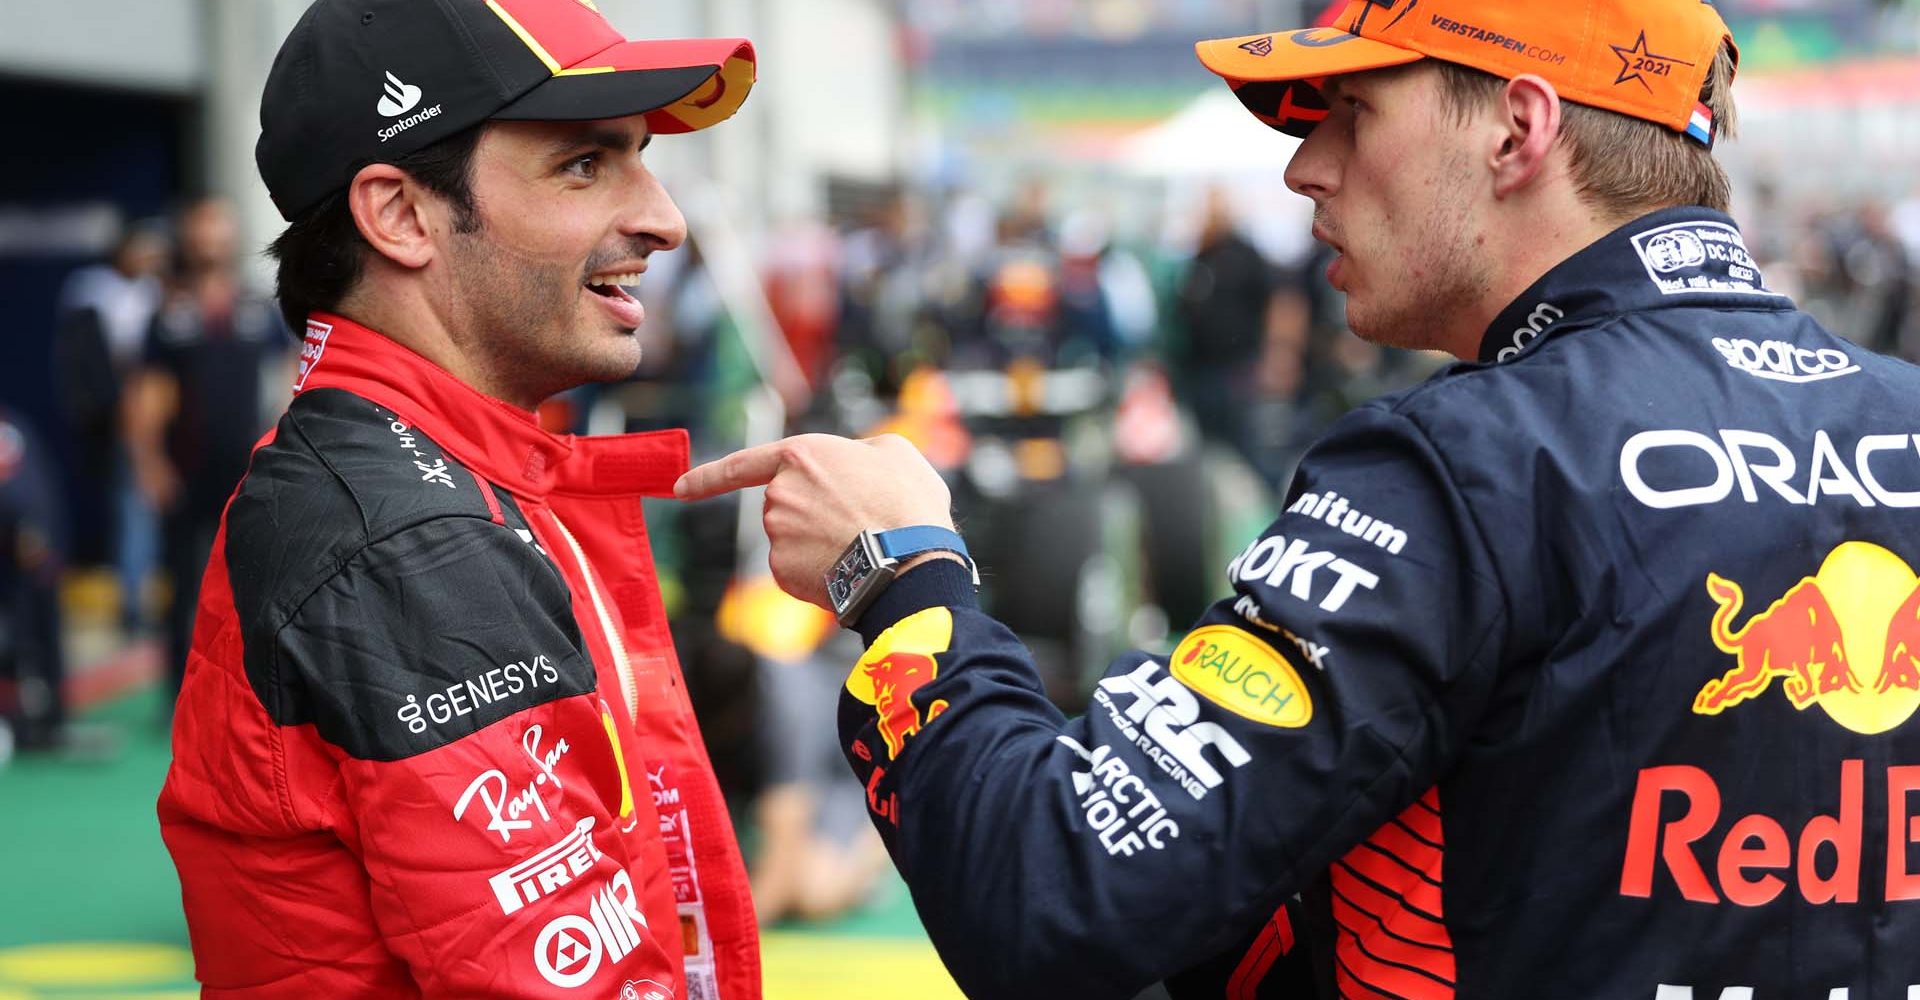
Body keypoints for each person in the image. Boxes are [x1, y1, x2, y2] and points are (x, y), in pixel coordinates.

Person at [677, 0, 1920, 997]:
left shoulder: (1466, 462)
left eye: (1352, 113)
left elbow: (1054, 895)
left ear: (1518, 130)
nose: (1304, 170)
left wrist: (901, 579)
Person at [156, 1, 762, 996]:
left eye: (640, 158)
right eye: (585, 163)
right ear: (399, 215)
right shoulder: (411, 536)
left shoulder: (421, 476)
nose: (663, 217)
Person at [124, 197, 290, 699]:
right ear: (188, 237)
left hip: (249, 469)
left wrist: (285, 453)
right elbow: (146, 393)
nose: (211, 239)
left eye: (220, 228)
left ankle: (251, 690)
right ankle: (181, 690)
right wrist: (149, 464)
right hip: (185, 470)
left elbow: (285, 382)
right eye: (202, 228)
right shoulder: (169, 315)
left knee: (257, 581)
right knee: (182, 584)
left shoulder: (258, 310)